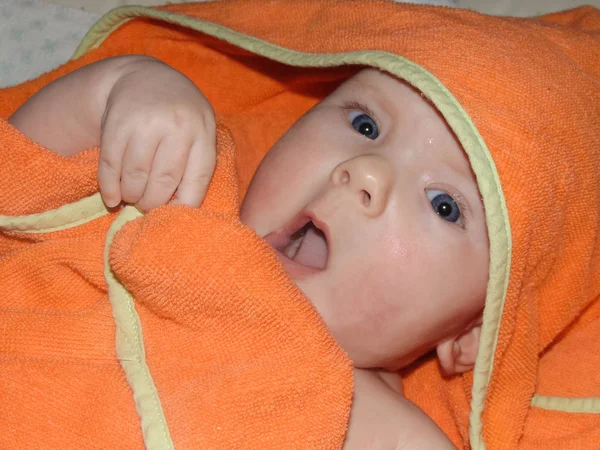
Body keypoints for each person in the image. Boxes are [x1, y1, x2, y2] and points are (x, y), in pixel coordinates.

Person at [8, 54, 489, 448]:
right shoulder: (181, 201)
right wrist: (122, 87)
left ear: (469, 336)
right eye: (365, 125)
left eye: (444, 205)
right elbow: (21, 181)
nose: (367, 171)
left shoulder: (386, 434)